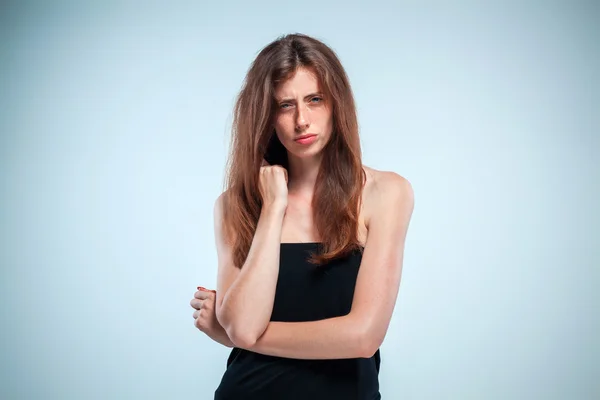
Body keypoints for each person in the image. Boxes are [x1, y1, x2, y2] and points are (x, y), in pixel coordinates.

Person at [189, 33, 414, 399]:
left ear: (336, 103)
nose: (302, 120)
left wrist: (232, 333)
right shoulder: (235, 205)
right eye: (284, 105)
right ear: (266, 116)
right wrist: (273, 207)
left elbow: (363, 337)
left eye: (315, 100)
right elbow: (242, 327)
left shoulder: (385, 193)